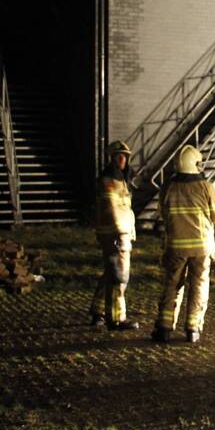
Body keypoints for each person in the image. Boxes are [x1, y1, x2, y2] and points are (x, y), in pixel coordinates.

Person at [151, 145, 215, 344]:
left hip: (175, 247)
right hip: (201, 248)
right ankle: (193, 329)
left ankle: (164, 328)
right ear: (195, 164)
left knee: (172, 285)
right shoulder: (205, 187)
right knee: (199, 286)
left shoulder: (168, 187)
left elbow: (162, 214)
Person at [89, 140, 138, 330]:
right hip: (116, 234)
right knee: (120, 276)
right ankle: (117, 318)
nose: (122, 159)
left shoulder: (119, 179)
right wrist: (120, 231)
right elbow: (111, 209)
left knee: (111, 272)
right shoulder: (109, 180)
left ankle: (98, 311)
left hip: (117, 233)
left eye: (125, 156)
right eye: (119, 156)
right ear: (111, 158)